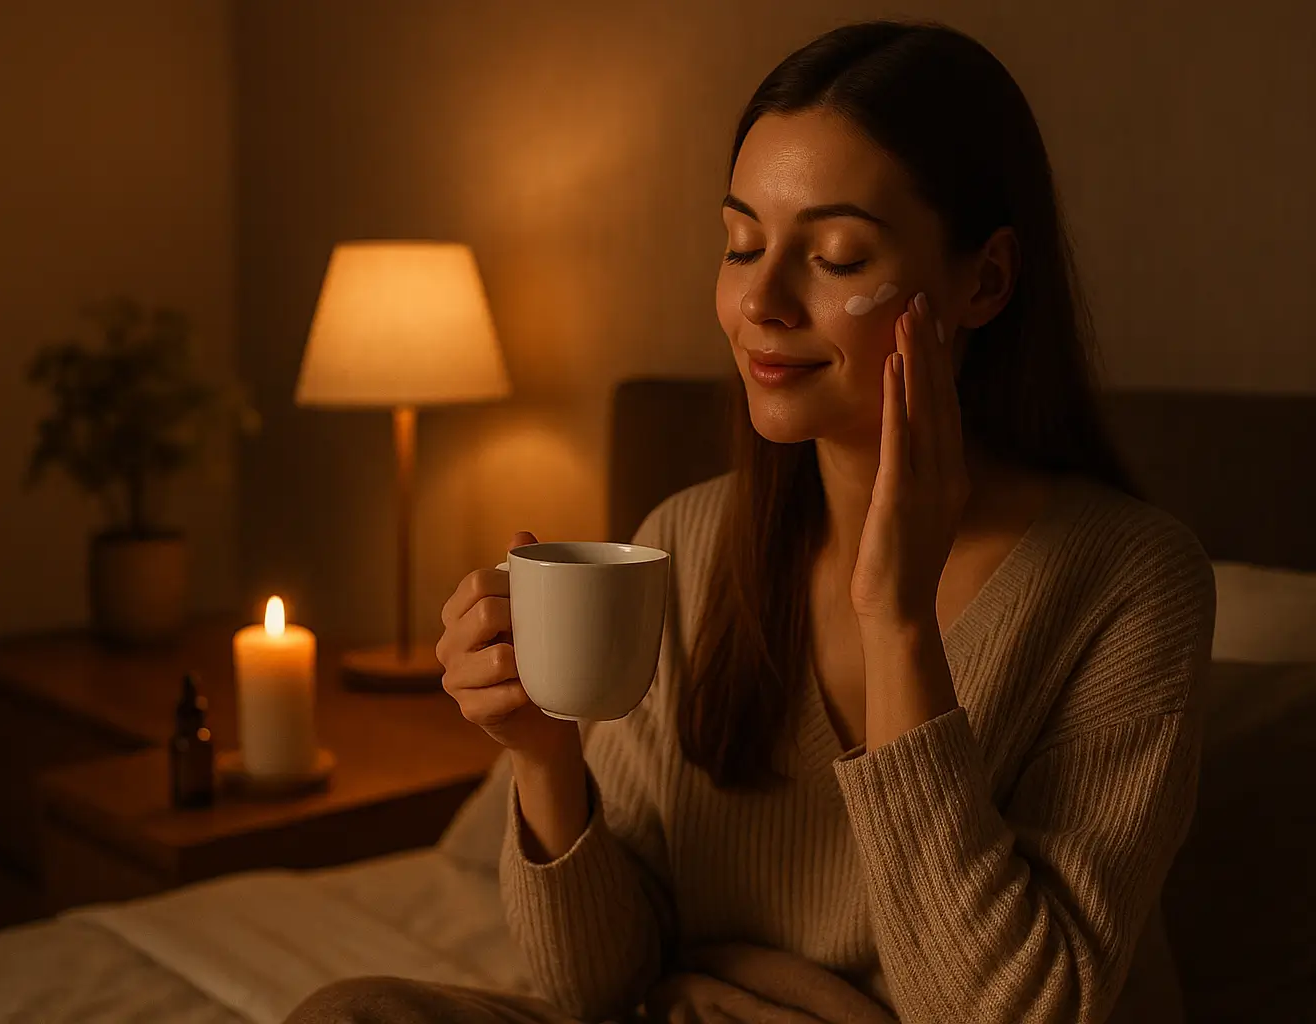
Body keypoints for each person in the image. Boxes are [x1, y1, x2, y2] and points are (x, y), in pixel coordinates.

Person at [287, 18, 1214, 1024]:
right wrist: (547, 759)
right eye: (741, 243)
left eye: (838, 255)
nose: (761, 300)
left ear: (983, 280)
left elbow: (1010, 1012)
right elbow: (597, 989)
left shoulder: (1129, 580)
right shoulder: (686, 542)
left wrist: (896, 618)